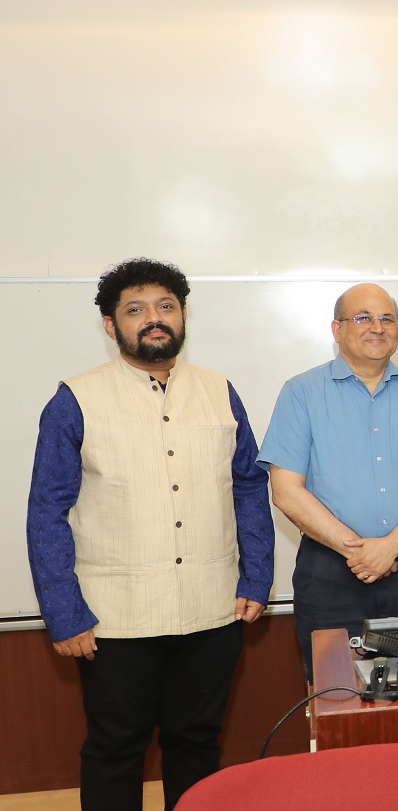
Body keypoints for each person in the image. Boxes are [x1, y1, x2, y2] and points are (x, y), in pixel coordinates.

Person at [26, 258, 274, 811]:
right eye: (135, 310)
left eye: (166, 306)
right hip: (116, 618)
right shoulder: (75, 399)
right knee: (116, 749)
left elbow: (249, 489)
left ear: (183, 316)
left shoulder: (220, 391)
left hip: (212, 611)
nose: (154, 319)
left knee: (197, 745)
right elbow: (47, 511)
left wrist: (257, 579)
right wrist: (64, 613)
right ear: (111, 326)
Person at [259, 283, 398, 679]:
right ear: (337, 329)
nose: (377, 327)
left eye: (387, 318)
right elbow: (286, 492)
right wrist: (360, 551)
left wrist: (390, 547)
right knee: (338, 693)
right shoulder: (301, 393)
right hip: (329, 573)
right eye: (363, 317)